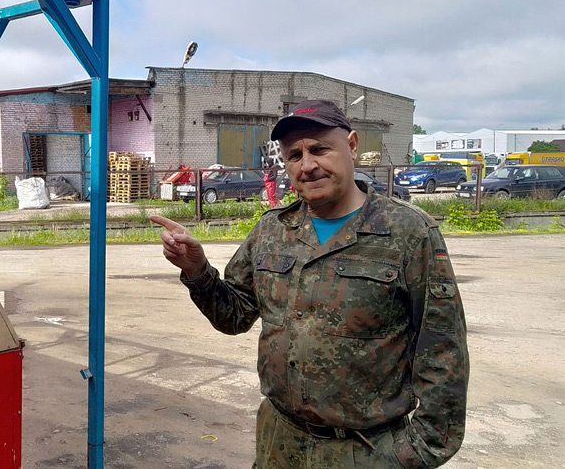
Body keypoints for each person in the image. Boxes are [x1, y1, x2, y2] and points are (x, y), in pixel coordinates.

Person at [151, 99, 468, 469]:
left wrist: (418, 451)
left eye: (320, 149)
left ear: (351, 145)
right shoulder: (272, 230)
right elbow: (234, 317)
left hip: (367, 451)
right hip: (280, 442)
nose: (307, 165)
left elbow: (442, 348)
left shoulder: (408, 232)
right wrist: (197, 269)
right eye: (294, 155)